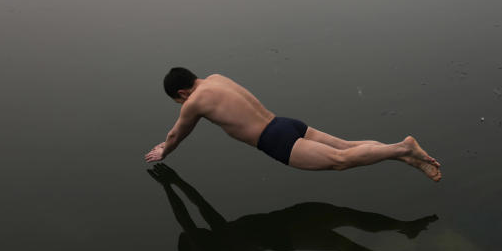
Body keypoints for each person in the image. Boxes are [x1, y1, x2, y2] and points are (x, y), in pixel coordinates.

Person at [145, 69, 441, 181]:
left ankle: (402, 147)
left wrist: (165, 151)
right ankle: (408, 157)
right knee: (348, 146)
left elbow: (176, 133)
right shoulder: (216, 79)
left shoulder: (196, 101)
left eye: (179, 102)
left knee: (340, 161)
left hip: (275, 141)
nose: (183, 106)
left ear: (183, 94)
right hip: (285, 123)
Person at [149, 163, 437, 251]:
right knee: (339, 240)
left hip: (280, 222)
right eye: (193, 234)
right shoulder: (207, 250)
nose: (197, 231)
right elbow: (187, 217)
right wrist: (169, 185)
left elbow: (200, 206)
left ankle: (404, 227)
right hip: (281, 235)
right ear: (192, 244)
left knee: (344, 215)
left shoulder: (218, 235)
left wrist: (177, 181)